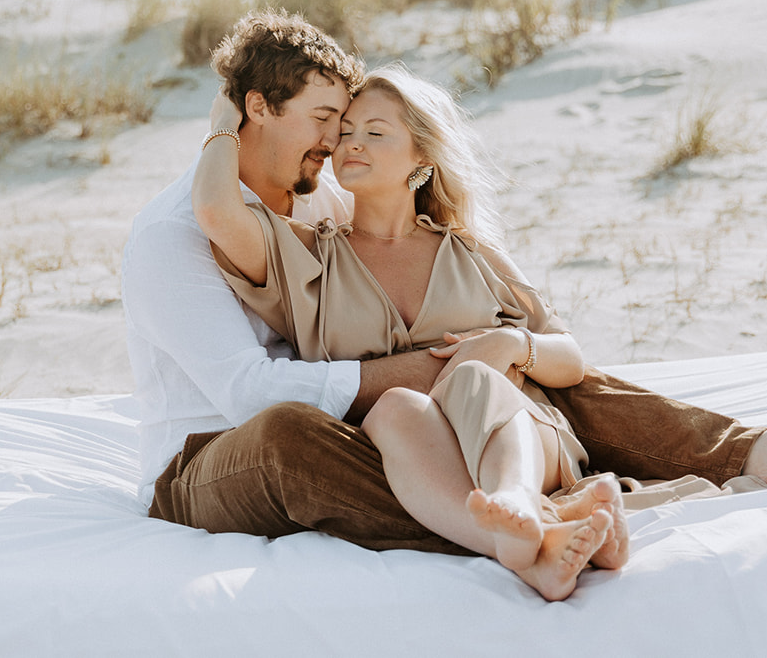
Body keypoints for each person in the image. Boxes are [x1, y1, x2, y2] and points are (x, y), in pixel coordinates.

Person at [122, 11, 767, 588]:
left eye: (353, 128)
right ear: (257, 109)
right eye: (326, 122)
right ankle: (541, 524)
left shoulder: (319, 203)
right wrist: (420, 368)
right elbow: (245, 392)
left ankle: (750, 454)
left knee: (522, 373)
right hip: (215, 453)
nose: (336, 144)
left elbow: (513, 320)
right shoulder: (174, 236)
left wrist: (498, 351)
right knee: (299, 431)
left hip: (377, 416)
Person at [194, 62, 628, 598]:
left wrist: (513, 343)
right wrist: (223, 120)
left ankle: (516, 503)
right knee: (395, 405)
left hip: (519, 439)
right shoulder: (310, 257)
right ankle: (525, 547)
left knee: (475, 380)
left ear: (421, 157)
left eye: (375, 133)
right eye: (346, 133)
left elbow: (570, 357)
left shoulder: (470, 251)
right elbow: (215, 209)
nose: (351, 144)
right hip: (410, 459)